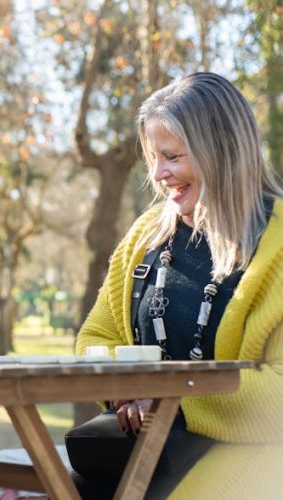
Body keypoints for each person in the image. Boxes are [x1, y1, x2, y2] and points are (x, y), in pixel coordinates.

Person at [74, 72, 283, 498]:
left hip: (254, 456)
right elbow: (96, 336)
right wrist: (123, 387)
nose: (158, 174)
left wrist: (173, 402)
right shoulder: (144, 236)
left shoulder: (276, 247)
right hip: (145, 447)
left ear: (220, 152)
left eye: (171, 156)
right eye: (153, 157)